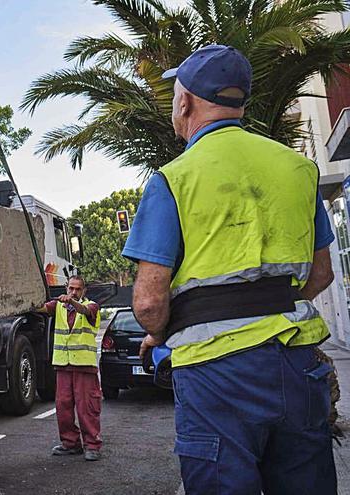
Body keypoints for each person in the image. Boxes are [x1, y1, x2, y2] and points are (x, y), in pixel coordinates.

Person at [122, 45, 337, 494]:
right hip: (298, 365)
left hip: (217, 376)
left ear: (185, 103)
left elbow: (147, 301)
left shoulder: (173, 179)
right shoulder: (300, 169)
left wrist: (159, 334)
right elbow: (321, 275)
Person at [45, 275, 103, 461]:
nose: (74, 292)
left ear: (84, 291)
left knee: (86, 407)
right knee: (63, 406)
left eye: (78, 289)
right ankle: (70, 443)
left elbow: (85, 310)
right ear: (66, 287)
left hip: (84, 366)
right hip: (63, 364)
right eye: (71, 288)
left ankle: (92, 445)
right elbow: (41, 308)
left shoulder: (92, 306)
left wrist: (72, 302)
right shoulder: (58, 306)